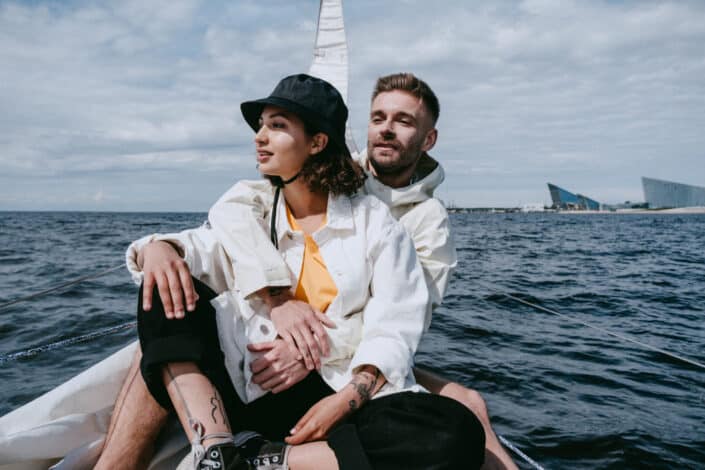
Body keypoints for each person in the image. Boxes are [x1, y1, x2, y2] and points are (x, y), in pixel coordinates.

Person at [96, 73, 516, 469]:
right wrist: (159, 247)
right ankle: (215, 449)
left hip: (331, 378)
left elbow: (401, 322)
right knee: (166, 283)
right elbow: (216, 233)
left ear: (317, 143)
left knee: (455, 428)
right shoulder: (255, 204)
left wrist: (320, 362)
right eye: (379, 118)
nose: (259, 138)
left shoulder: (392, 222)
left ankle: (258, 460)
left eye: (276, 125)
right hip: (254, 371)